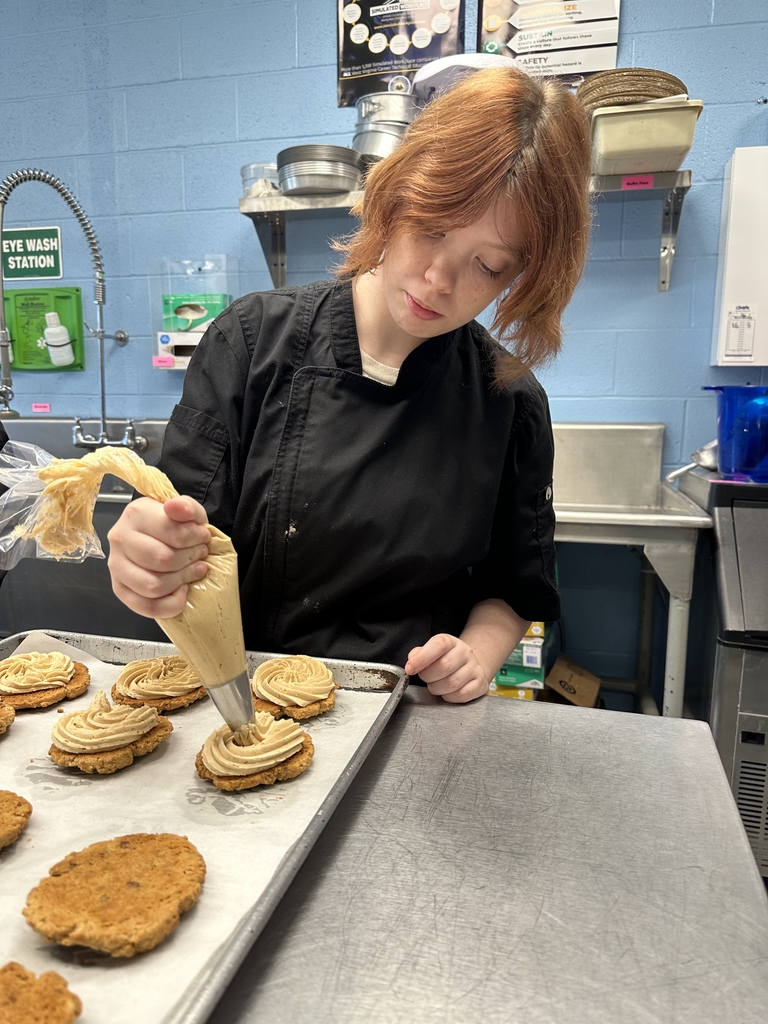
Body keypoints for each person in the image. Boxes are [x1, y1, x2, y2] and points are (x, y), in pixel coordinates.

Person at [107, 66, 591, 704]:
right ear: (392, 198)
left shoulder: (509, 402)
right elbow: (182, 543)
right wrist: (146, 559)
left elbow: (512, 588)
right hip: (240, 706)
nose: (439, 280)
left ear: (521, 277)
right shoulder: (250, 345)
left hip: (403, 720)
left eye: (488, 264)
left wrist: (474, 657)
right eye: (431, 227)